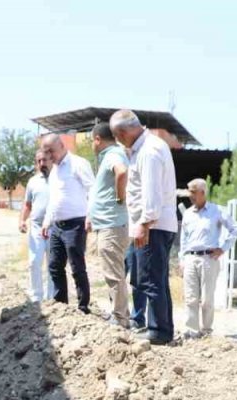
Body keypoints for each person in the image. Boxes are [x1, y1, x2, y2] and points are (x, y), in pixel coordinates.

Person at [112, 109, 178, 345]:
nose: (119, 142)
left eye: (118, 137)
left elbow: (152, 194)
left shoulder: (149, 151)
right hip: (153, 224)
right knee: (155, 279)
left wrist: (144, 224)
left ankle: (159, 331)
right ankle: (162, 328)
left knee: (150, 280)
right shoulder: (144, 148)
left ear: (123, 133)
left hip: (153, 225)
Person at [39, 133, 95, 313]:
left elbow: (92, 190)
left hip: (75, 224)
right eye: (46, 152)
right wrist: (47, 222)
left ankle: (83, 306)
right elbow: (54, 199)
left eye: (51, 151)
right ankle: (60, 304)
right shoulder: (54, 171)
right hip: (57, 226)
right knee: (54, 266)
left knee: (77, 267)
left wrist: (91, 215)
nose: (49, 156)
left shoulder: (78, 164)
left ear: (61, 146)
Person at [179, 179, 237, 338]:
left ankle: (206, 331)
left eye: (193, 192)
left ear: (202, 192)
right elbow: (183, 239)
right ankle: (192, 332)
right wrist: (182, 260)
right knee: (190, 298)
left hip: (208, 259)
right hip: (190, 258)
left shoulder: (217, 211)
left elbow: (235, 229)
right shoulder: (187, 214)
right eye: (189, 192)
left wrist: (223, 248)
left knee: (207, 299)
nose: (190, 195)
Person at [86, 122, 130, 327]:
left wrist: (120, 198)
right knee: (113, 273)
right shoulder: (110, 155)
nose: (91, 146)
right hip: (108, 225)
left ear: (97, 139)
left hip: (112, 225)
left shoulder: (113, 154)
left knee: (114, 274)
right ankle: (120, 314)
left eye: (91, 141)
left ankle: (120, 318)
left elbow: (122, 172)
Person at [19, 152, 52, 302]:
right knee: (34, 262)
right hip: (37, 228)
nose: (41, 164)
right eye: (39, 161)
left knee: (53, 264)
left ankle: (52, 297)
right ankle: (36, 296)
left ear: (51, 159)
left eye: (44, 160)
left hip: (55, 228)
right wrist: (22, 220)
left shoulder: (59, 179)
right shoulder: (33, 182)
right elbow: (27, 205)